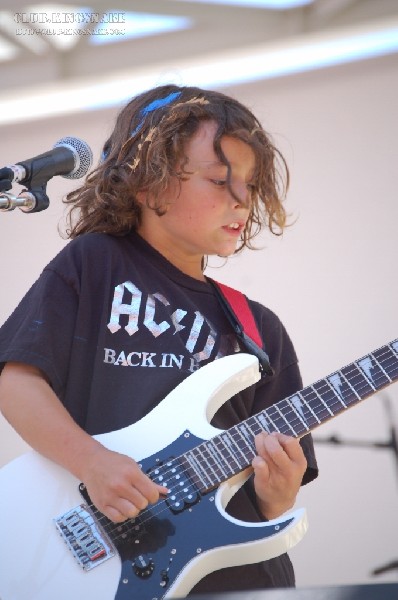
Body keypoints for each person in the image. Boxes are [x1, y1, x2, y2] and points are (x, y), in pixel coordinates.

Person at [0, 84, 317, 594]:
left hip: (235, 582)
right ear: (147, 186)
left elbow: (266, 507)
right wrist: (92, 464)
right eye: (220, 180)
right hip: (99, 565)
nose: (242, 200)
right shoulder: (94, 264)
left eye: (251, 185)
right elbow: (16, 380)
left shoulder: (261, 328)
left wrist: (278, 493)